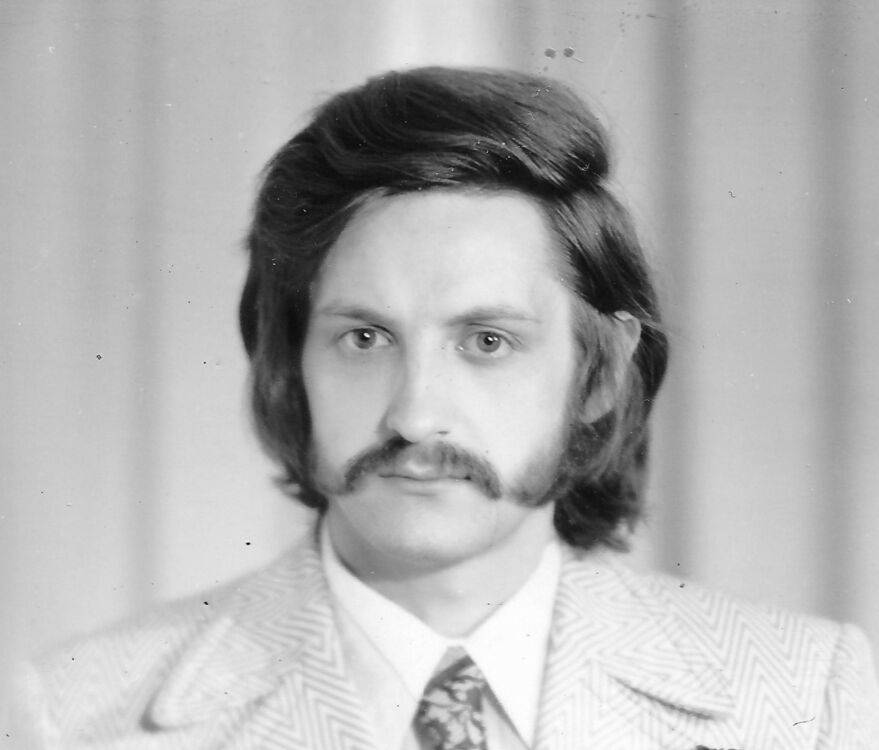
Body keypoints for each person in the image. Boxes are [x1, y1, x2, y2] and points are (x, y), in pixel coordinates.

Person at [21, 66, 879, 749]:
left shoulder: (812, 703)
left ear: (600, 374)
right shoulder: (73, 717)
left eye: (486, 342)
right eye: (364, 338)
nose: (415, 414)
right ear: (289, 363)